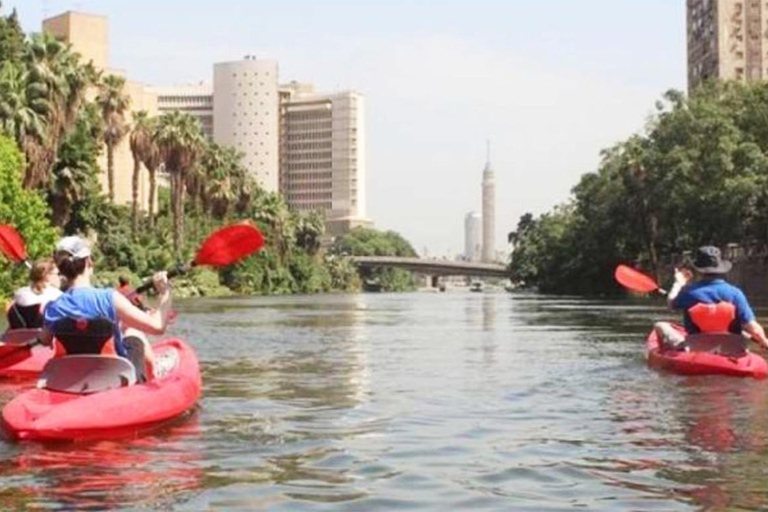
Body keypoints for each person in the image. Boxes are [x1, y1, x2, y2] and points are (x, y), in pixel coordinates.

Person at [40, 236, 173, 382]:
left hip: (72, 378)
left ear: (62, 270)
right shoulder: (109, 298)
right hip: (114, 377)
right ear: (88, 262)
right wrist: (165, 292)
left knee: (125, 330)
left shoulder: (52, 307)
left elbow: (46, 340)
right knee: (133, 333)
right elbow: (158, 327)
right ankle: (153, 373)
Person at [654, 246, 768, 350]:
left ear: (698, 269)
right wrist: (764, 341)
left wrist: (678, 283)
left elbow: (670, 303)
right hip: (731, 349)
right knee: (742, 331)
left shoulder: (689, 292)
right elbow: (753, 327)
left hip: (696, 347)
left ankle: (668, 354)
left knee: (660, 325)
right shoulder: (735, 293)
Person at [6, 258, 62, 329]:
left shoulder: (18, 296)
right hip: (43, 337)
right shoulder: (56, 296)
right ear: (46, 276)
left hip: (19, 336)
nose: (59, 277)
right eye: (57, 274)